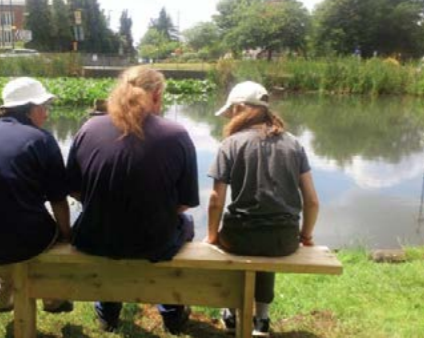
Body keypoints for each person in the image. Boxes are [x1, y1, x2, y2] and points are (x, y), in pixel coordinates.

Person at [66, 65, 199, 334]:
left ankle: (107, 314)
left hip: (94, 238)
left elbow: (74, 190)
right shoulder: (176, 134)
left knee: (109, 222)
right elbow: (184, 202)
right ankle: (172, 312)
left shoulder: (89, 128)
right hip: (153, 243)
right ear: (157, 95)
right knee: (182, 223)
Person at [205, 81, 319, 337]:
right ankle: (262, 320)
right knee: (268, 238)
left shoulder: (231, 144)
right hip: (285, 240)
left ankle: (230, 313)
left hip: (240, 238)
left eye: (232, 111)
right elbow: (312, 201)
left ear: (241, 109)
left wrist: (212, 235)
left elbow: (216, 200)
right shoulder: (293, 144)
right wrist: (305, 236)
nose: (230, 117)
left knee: (230, 244)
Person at [0, 77, 72, 314]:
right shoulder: (42, 140)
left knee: (3, 218)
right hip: (22, 238)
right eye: (44, 108)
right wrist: (66, 235)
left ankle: (2, 295)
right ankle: (53, 298)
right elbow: (59, 199)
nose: (47, 115)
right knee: (42, 230)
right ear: (31, 110)